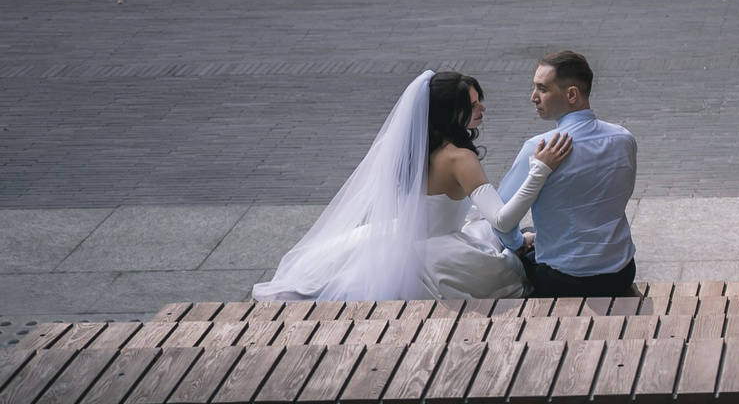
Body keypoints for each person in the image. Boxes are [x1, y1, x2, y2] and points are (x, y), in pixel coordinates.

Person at [254, 71, 575, 302]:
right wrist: (540, 171)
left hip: (397, 237)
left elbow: (436, 204)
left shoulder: (413, 149)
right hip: (440, 252)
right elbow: (502, 220)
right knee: (513, 276)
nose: (483, 109)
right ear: (452, 112)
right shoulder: (460, 158)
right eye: (475, 104)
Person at [490, 52, 640, 299]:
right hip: (621, 272)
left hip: (564, 281)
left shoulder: (538, 148)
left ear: (571, 94)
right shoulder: (624, 138)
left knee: (507, 244)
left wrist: (518, 245)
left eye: (542, 89)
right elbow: (621, 196)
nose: (533, 98)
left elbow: (500, 221)